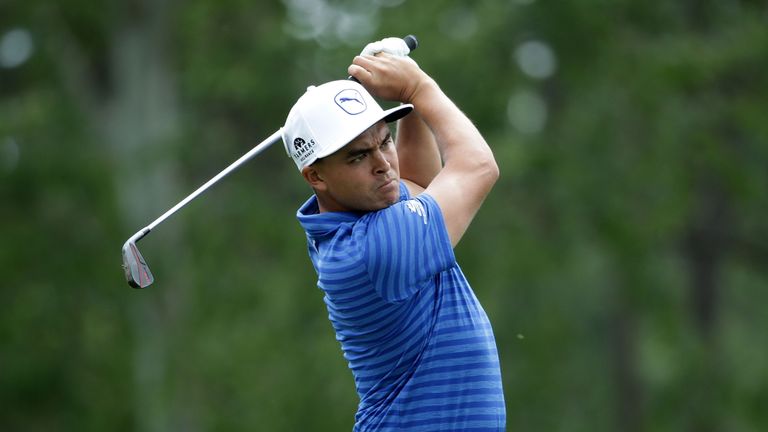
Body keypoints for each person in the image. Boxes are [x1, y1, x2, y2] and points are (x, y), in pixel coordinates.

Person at [282, 38, 505, 431]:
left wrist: (412, 109)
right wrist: (417, 87)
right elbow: (478, 167)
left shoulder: (362, 212)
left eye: (385, 141)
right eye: (358, 156)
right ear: (316, 176)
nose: (384, 165)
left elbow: (418, 183)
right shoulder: (373, 251)